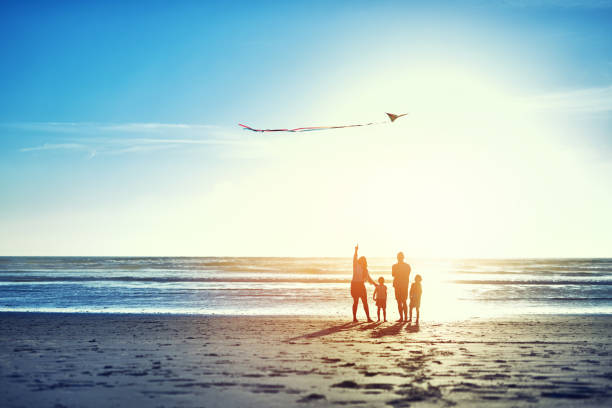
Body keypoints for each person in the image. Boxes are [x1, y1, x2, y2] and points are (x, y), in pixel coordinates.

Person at [351, 244, 376, 322]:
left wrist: (376, 284)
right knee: (356, 301)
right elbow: (354, 258)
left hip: (361, 285)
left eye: (364, 260)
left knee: (365, 301)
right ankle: (354, 318)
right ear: (359, 260)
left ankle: (368, 318)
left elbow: (369, 279)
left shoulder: (365, 270)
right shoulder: (356, 265)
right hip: (355, 285)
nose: (362, 260)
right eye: (361, 259)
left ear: (365, 262)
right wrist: (356, 250)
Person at [392, 252, 411, 322]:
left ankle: (404, 317)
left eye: (400, 257)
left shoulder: (406, 266)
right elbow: (393, 274)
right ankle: (402, 317)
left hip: (403, 285)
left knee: (403, 301)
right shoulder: (395, 266)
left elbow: (406, 275)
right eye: (399, 257)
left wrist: (399, 272)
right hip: (399, 285)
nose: (400, 258)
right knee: (400, 301)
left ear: (402, 258)